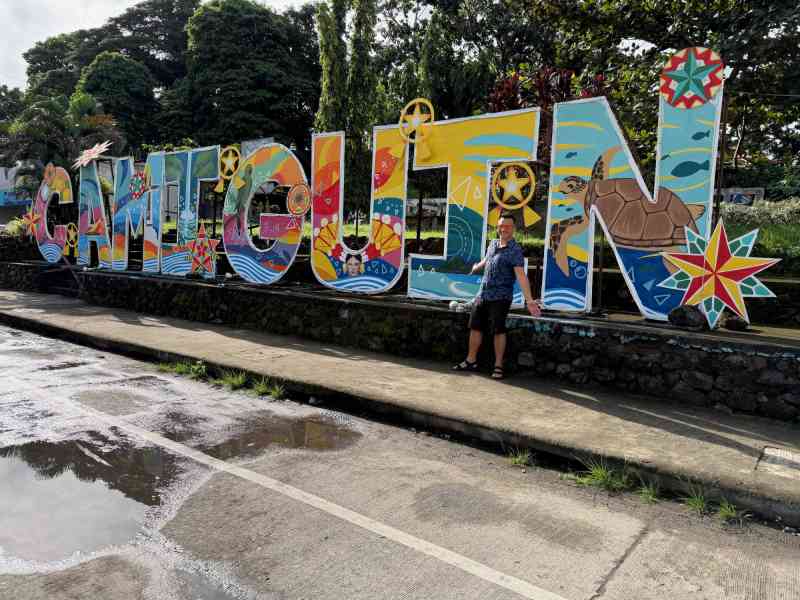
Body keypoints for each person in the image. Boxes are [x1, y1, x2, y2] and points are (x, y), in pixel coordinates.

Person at [453, 214, 541, 379]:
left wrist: (529, 300)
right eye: (501, 226)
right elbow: (487, 260)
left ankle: (498, 365)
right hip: (483, 294)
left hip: (501, 296)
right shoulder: (493, 244)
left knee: (498, 330)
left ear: (513, 229)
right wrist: (476, 267)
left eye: (507, 226)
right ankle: (471, 360)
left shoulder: (515, 250)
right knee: (475, 326)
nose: (503, 229)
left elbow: (521, 276)